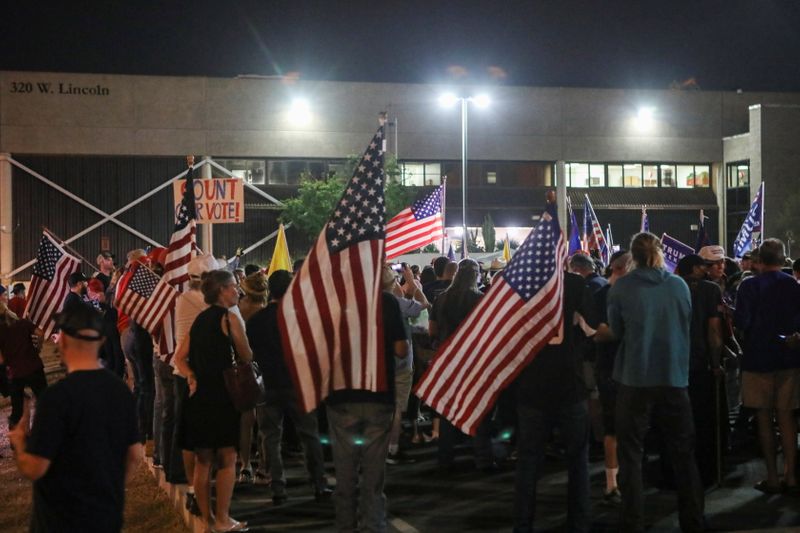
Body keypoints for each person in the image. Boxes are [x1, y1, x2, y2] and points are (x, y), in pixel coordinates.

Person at [598, 232, 704, 532]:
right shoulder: (679, 285)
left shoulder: (622, 289)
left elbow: (616, 331)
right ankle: (693, 520)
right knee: (684, 454)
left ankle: (633, 522)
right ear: (659, 254)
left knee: (631, 454)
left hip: (634, 378)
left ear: (632, 256)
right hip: (673, 376)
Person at [8, 303, 141, 533]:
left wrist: (20, 442)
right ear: (100, 342)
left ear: (65, 341)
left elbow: (35, 468)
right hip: (105, 519)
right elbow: (135, 454)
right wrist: (109, 490)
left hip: (59, 523)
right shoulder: (121, 392)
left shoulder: (55, 399)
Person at [513, 271, 597, 533]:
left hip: (531, 385)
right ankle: (579, 523)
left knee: (528, 461)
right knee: (577, 460)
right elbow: (593, 326)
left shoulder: (519, 281)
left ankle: (523, 524)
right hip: (568, 384)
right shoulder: (573, 284)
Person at [175, 269, 252, 532]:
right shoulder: (230, 318)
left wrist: (191, 376)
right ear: (221, 290)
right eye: (233, 286)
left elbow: (179, 357)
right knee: (228, 458)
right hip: (222, 394)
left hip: (198, 395)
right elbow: (247, 355)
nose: (237, 291)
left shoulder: (199, 320)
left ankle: (206, 521)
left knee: (203, 460)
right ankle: (223, 519)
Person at [326, 290, 408, 533]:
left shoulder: (333, 298)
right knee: (373, 476)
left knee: (345, 473)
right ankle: (373, 526)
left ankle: (345, 525)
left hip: (341, 393)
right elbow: (401, 349)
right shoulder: (386, 301)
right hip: (377, 394)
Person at [247, 270, 331, 504]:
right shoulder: (302, 318)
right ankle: (318, 483)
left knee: (270, 437)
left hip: (268, 383)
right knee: (309, 435)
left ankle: (278, 487)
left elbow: (250, 353)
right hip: (299, 383)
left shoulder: (256, 322)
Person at [734, 238, 800, 494]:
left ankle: (772, 477)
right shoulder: (794, 286)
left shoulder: (749, 286)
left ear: (759, 261)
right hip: (789, 359)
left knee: (763, 418)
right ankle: (791, 476)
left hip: (757, 359)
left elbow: (742, 322)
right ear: (783, 260)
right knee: (787, 418)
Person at [429, 258, 496, 473]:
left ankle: (444, 459)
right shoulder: (479, 299)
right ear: (476, 275)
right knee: (478, 407)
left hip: (447, 360)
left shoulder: (440, 300)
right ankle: (483, 458)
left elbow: (432, 331)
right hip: (473, 359)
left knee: (447, 409)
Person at [171, 253, 219, 510]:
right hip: (204, 375)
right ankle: (204, 489)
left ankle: (192, 485)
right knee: (210, 440)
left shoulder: (182, 299)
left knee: (189, 436)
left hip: (182, 372)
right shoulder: (210, 305)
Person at [676, 254, 726, 487]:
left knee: (677, 421)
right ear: (694, 268)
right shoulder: (710, 290)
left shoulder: (670, 287)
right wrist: (716, 363)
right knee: (704, 420)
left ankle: (676, 472)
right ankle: (705, 471)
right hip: (700, 361)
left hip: (674, 364)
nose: (707, 270)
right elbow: (714, 331)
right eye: (703, 267)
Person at [592, 250, 631, 505]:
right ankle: (613, 483)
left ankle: (617, 481)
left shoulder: (610, 294)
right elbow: (597, 332)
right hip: (614, 368)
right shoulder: (602, 295)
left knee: (621, 428)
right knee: (616, 428)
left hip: (619, 368)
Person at [383, 264, 430, 465]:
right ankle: (392, 448)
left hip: (378, 362)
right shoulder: (396, 304)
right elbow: (424, 303)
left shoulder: (366, 301)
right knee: (395, 408)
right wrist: (410, 281)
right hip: (400, 362)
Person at [236, 271, 268, 484]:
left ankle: (245, 465)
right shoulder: (267, 313)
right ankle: (264, 468)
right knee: (265, 422)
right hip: (265, 369)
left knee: (246, 420)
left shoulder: (238, 312)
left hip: (243, 367)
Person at [0, 288, 46, 430]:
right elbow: (39, 332)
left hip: (14, 373)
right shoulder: (23, 323)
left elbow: (1, 358)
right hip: (33, 366)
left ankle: (16, 440)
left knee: (17, 409)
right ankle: (46, 432)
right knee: (45, 401)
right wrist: (38, 347)